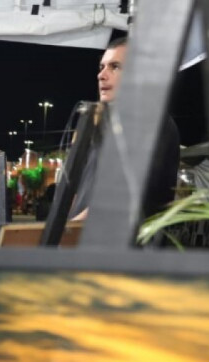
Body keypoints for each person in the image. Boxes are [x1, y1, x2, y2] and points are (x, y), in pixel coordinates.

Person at [67, 36, 181, 223]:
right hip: (81, 240)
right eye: (102, 67)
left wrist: (67, 231)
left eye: (115, 67)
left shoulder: (151, 123)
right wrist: (62, 228)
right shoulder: (109, 124)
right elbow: (80, 189)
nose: (101, 75)